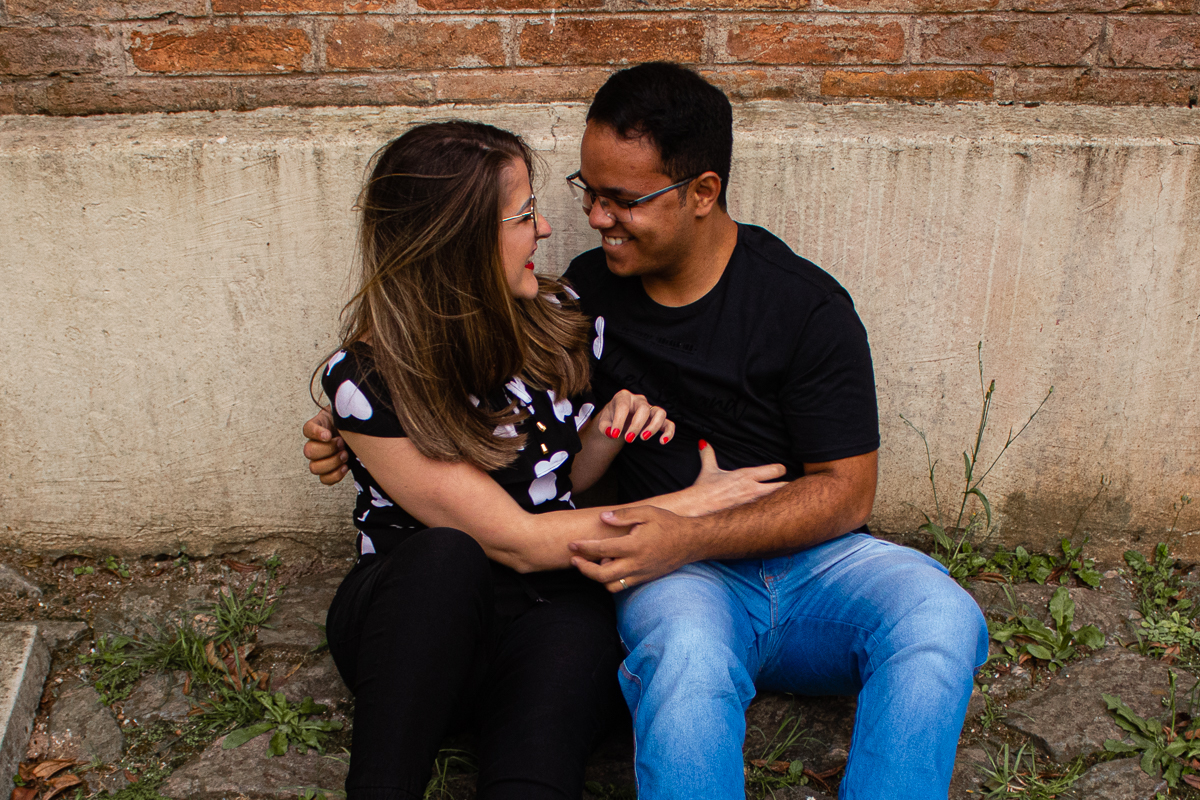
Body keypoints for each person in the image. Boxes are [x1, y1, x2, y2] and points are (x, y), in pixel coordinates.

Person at [307, 67, 989, 800]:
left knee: (942, 613)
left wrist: (683, 523)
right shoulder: (582, 296)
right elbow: (457, 381)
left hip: (808, 564)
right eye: (587, 193)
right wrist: (352, 427)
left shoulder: (800, 307)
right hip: (670, 575)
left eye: (623, 200)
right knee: (683, 653)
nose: (594, 219)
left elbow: (847, 494)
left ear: (702, 193)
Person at [312, 119, 785, 800]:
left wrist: (607, 434)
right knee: (448, 559)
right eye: (525, 215)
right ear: (463, 240)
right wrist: (689, 506)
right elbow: (517, 540)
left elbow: (553, 486)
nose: (544, 230)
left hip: (541, 611)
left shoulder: (553, 312)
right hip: (417, 628)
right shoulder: (372, 380)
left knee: (572, 645)